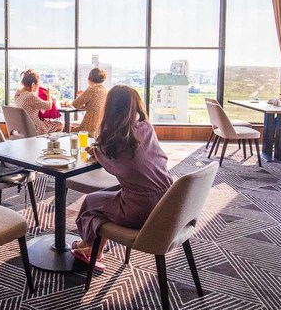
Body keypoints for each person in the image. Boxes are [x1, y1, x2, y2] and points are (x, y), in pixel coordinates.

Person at [73, 85, 173, 269]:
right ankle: (93, 249)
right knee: (105, 199)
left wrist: (97, 150)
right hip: (168, 203)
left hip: (142, 208)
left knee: (91, 203)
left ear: (111, 108)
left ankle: (88, 245)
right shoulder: (146, 128)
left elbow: (110, 164)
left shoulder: (117, 139)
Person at [14, 69, 62, 135]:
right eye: (37, 84)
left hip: (24, 128)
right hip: (35, 128)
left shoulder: (17, 94)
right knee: (60, 124)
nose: (38, 87)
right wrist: (49, 96)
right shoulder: (29, 96)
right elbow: (48, 106)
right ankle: (50, 141)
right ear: (33, 84)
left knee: (48, 122)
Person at [70, 67, 108, 137]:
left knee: (70, 131)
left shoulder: (92, 90)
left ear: (90, 78)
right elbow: (94, 104)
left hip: (90, 124)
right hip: (100, 125)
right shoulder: (105, 90)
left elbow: (75, 104)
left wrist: (80, 96)